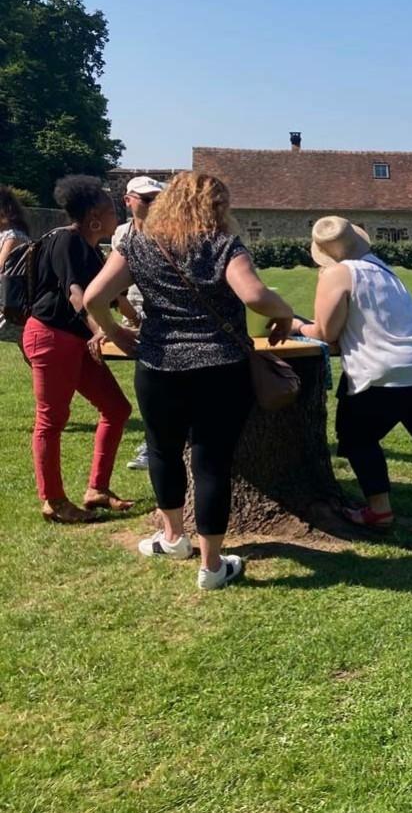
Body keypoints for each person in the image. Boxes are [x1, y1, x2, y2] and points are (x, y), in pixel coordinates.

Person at [85, 171, 296, 590]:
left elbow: (93, 297)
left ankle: (173, 538)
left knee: (163, 452)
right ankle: (213, 566)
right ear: (219, 206)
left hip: (159, 366)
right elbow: (254, 295)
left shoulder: (137, 242)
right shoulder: (223, 244)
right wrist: (285, 312)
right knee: (212, 462)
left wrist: (113, 330)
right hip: (221, 367)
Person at [294, 216, 412, 540]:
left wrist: (295, 326)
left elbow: (326, 333)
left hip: (387, 371)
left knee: (355, 434)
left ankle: (378, 509)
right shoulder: (379, 266)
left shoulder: (336, 274)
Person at [21, 176, 134, 523]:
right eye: (111, 208)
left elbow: (111, 295)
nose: (117, 213)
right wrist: (104, 330)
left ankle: (96, 489)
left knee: (116, 408)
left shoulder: (88, 248)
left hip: (75, 340)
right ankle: (53, 501)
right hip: (51, 337)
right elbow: (76, 295)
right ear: (94, 217)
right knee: (51, 420)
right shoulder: (68, 241)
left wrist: (135, 318)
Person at [111, 176, 166, 471]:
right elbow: (111, 285)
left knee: (162, 383)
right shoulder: (121, 234)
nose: (153, 205)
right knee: (148, 382)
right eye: (146, 199)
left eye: (157, 199)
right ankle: (154, 442)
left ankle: (156, 444)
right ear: (128, 201)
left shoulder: (170, 232)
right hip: (132, 315)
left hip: (164, 316)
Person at [0, 185, 32, 343]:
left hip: (10, 303)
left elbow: (2, 270)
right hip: (8, 301)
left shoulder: (13, 236)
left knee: (28, 348)